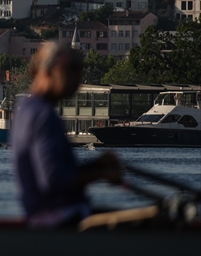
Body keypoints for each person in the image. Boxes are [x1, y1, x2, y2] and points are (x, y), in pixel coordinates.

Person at [10, 41, 123, 227]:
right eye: (70, 71)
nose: (77, 82)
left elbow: (56, 173)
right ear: (48, 71)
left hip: (44, 216)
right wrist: (101, 173)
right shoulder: (43, 115)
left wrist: (97, 165)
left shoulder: (26, 108)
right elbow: (53, 180)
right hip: (60, 218)